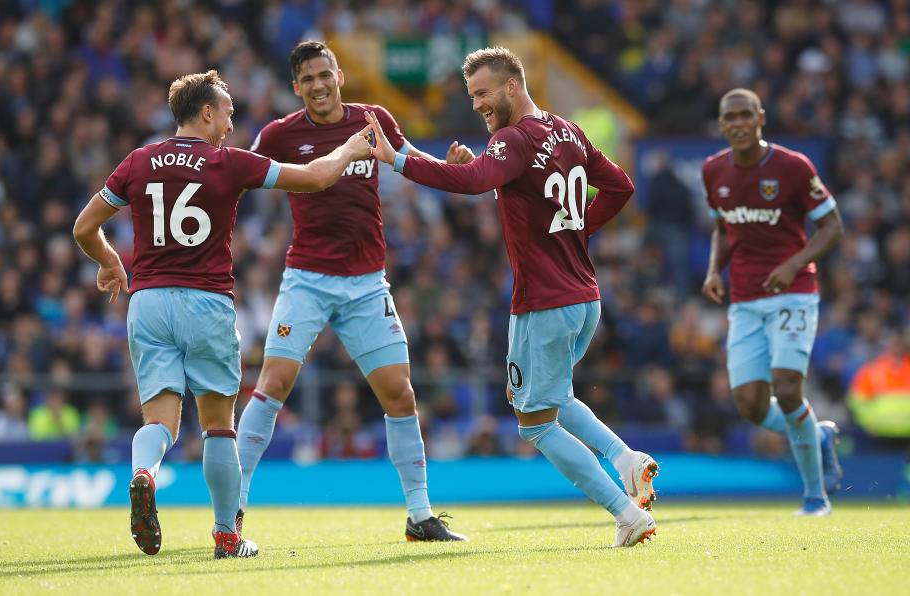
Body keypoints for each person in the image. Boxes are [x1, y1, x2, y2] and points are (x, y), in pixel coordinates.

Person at [73, 69, 373, 558]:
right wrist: (348, 151)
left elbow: (85, 227)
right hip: (205, 302)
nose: (231, 125)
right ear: (207, 112)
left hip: (147, 302)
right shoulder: (229, 163)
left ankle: (144, 473)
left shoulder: (138, 161)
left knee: (161, 423)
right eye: (229, 113)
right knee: (218, 425)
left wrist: (110, 263)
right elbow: (316, 178)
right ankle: (227, 536)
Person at [366, 46, 659, 548]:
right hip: (584, 297)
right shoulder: (567, 130)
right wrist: (577, 229)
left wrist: (397, 161)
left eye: (483, 93)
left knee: (534, 425)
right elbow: (620, 186)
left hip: (543, 301)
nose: (477, 104)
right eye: (472, 95)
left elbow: (478, 181)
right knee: (545, 397)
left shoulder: (515, 137)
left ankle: (625, 513)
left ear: (512, 86)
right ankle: (626, 460)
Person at [235, 40, 472, 542]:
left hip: (366, 284)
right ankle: (230, 514)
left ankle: (420, 516)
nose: (319, 85)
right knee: (272, 384)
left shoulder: (374, 119)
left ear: (339, 76)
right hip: (307, 280)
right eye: (308, 79)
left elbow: (408, 160)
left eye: (326, 75)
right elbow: (237, 176)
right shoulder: (280, 134)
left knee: (400, 394)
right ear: (296, 87)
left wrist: (454, 168)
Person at [701, 88, 845, 516]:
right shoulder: (713, 170)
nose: (740, 123)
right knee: (750, 405)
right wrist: (713, 271)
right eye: (732, 117)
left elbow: (833, 227)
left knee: (786, 388)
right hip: (744, 299)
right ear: (723, 124)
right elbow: (723, 230)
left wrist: (793, 263)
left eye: (747, 115)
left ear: (761, 118)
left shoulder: (793, 167)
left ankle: (815, 498)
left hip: (794, 292)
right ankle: (816, 436)